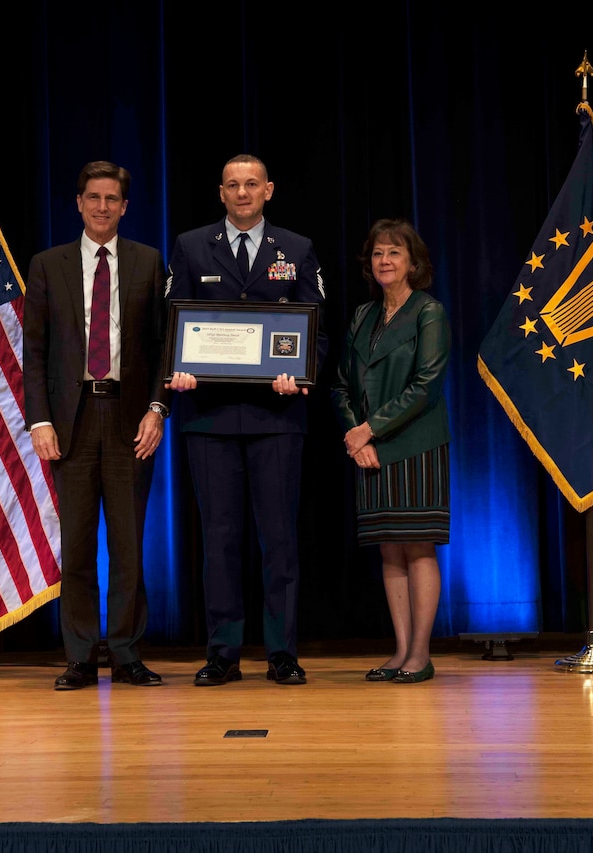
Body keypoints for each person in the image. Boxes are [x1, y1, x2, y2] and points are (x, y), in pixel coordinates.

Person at [164, 154, 328, 686]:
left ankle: (282, 653)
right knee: (221, 540)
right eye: (233, 185)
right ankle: (223, 654)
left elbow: (315, 331)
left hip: (277, 417)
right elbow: (172, 324)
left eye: (251, 184)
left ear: (269, 190)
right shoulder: (191, 246)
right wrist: (178, 371)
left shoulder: (297, 249)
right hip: (208, 419)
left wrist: (301, 376)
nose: (242, 192)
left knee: (279, 540)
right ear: (220, 192)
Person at [23, 161, 172, 690]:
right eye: (93, 197)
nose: (102, 206)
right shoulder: (48, 265)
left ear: (125, 206)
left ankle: (128, 654)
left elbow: (163, 349)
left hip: (131, 419)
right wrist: (39, 419)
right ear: (79, 203)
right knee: (78, 544)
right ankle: (81, 656)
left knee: (130, 546)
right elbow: (35, 352)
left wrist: (158, 410)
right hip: (72, 421)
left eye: (112, 198)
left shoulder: (149, 263)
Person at [329, 219, 452, 684]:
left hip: (416, 444)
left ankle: (421, 654)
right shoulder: (362, 315)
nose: (385, 261)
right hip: (370, 450)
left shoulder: (429, 312)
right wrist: (355, 436)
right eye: (379, 253)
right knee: (389, 553)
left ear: (413, 264)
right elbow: (341, 385)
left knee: (418, 550)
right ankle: (400, 651)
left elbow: (426, 386)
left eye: (395, 253)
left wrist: (368, 430)